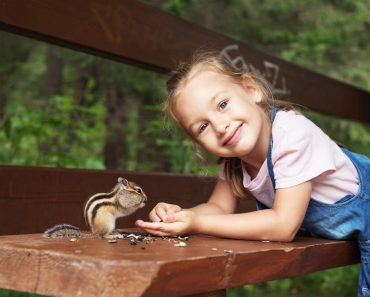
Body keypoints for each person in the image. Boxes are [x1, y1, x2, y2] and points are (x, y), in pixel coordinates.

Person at [135, 51, 370, 296]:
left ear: (251, 89)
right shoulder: (234, 161)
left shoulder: (291, 134)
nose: (220, 126)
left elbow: (283, 225)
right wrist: (181, 216)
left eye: (223, 105)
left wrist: (199, 222)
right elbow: (218, 208)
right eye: (203, 126)